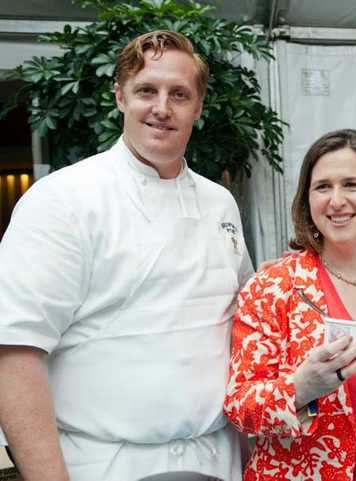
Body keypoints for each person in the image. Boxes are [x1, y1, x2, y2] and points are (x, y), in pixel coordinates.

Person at [0, 30, 253, 481]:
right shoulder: (62, 199)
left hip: (219, 458)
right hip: (105, 465)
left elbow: (246, 332)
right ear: (119, 97)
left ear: (198, 106)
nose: (162, 107)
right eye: (146, 91)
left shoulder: (221, 204)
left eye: (179, 94)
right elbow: (16, 352)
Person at [224, 129, 356, 481]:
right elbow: (240, 405)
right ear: (307, 200)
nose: (336, 200)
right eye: (323, 187)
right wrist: (302, 387)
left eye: (351, 184)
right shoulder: (275, 285)